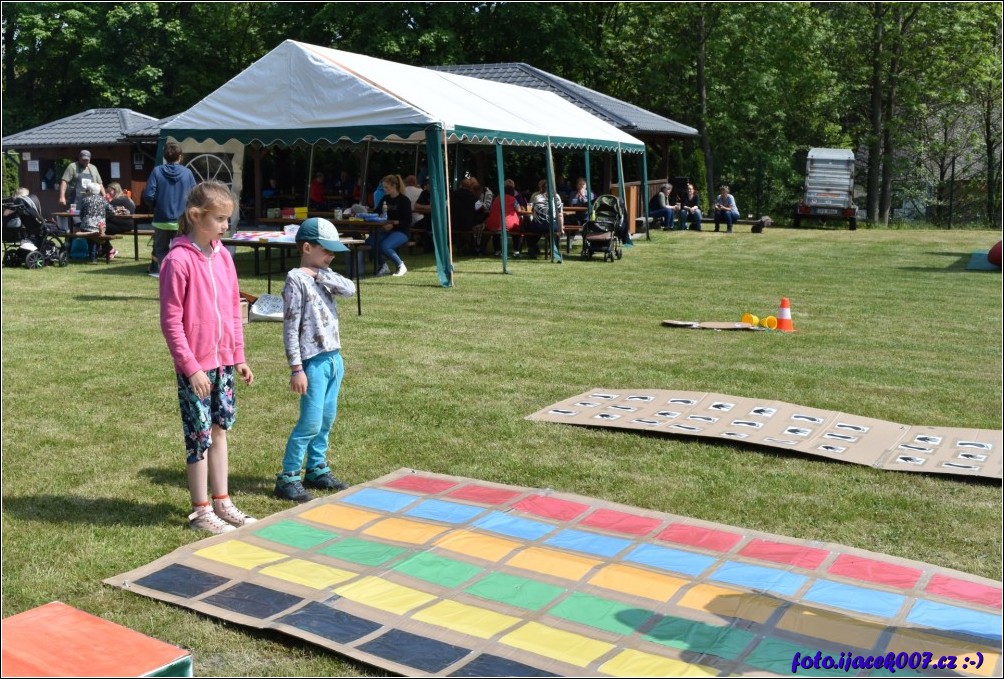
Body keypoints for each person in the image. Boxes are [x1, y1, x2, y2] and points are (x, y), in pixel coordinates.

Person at [159, 180, 255, 534]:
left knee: (219, 431)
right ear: (196, 216)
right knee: (199, 436)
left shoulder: (225, 257)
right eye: (219, 219)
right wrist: (191, 367)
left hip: (224, 364)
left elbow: (233, 309)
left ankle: (222, 502)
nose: (225, 226)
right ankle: (201, 511)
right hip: (195, 368)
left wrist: (238, 355)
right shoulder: (177, 260)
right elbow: (171, 323)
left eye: (228, 219)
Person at [275, 218, 357, 502]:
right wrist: (296, 368)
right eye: (326, 250)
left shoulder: (324, 274)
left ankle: (317, 469)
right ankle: (288, 477)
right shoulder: (295, 280)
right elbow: (290, 328)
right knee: (309, 422)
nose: (331, 255)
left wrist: (321, 273)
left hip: (334, 359)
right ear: (307, 247)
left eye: (334, 251)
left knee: (326, 418)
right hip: (312, 363)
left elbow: (350, 289)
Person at [143, 141, 197, 278]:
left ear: (165, 157)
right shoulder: (188, 173)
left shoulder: (157, 171)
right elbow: (195, 196)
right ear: (180, 156)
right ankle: (180, 273)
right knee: (183, 249)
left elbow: (148, 195)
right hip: (182, 220)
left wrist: (156, 206)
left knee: (161, 250)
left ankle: (168, 272)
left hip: (161, 218)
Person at [367, 174, 412, 277]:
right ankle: (383, 266)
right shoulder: (385, 198)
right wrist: (365, 213)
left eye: (386, 187)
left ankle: (401, 265)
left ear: (394, 186)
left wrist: (392, 225)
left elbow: (407, 221)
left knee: (384, 246)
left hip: (402, 232)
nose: (384, 189)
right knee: (370, 241)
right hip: (387, 230)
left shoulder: (404, 200)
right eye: (383, 187)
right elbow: (377, 212)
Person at [524, 179, 564, 259]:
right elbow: (560, 215)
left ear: (540, 187)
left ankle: (532, 248)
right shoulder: (556, 196)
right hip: (553, 225)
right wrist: (561, 228)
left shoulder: (536, 196)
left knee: (532, 227)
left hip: (538, 225)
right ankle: (553, 251)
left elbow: (530, 209)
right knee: (551, 230)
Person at [77, 182, 117, 261]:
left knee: (91, 234)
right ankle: (95, 255)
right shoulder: (103, 200)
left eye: (87, 190)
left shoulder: (85, 200)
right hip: (100, 227)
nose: (86, 192)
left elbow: (81, 215)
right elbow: (112, 211)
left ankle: (93, 256)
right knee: (96, 234)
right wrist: (104, 216)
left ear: (90, 191)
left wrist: (85, 221)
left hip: (86, 227)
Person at [484, 179, 521, 255]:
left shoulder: (497, 198)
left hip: (495, 223)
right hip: (508, 224)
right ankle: (516, 250)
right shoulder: (513, 199)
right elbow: (519, 209)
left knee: (496, 232)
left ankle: (497, 251)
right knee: (516, 231)